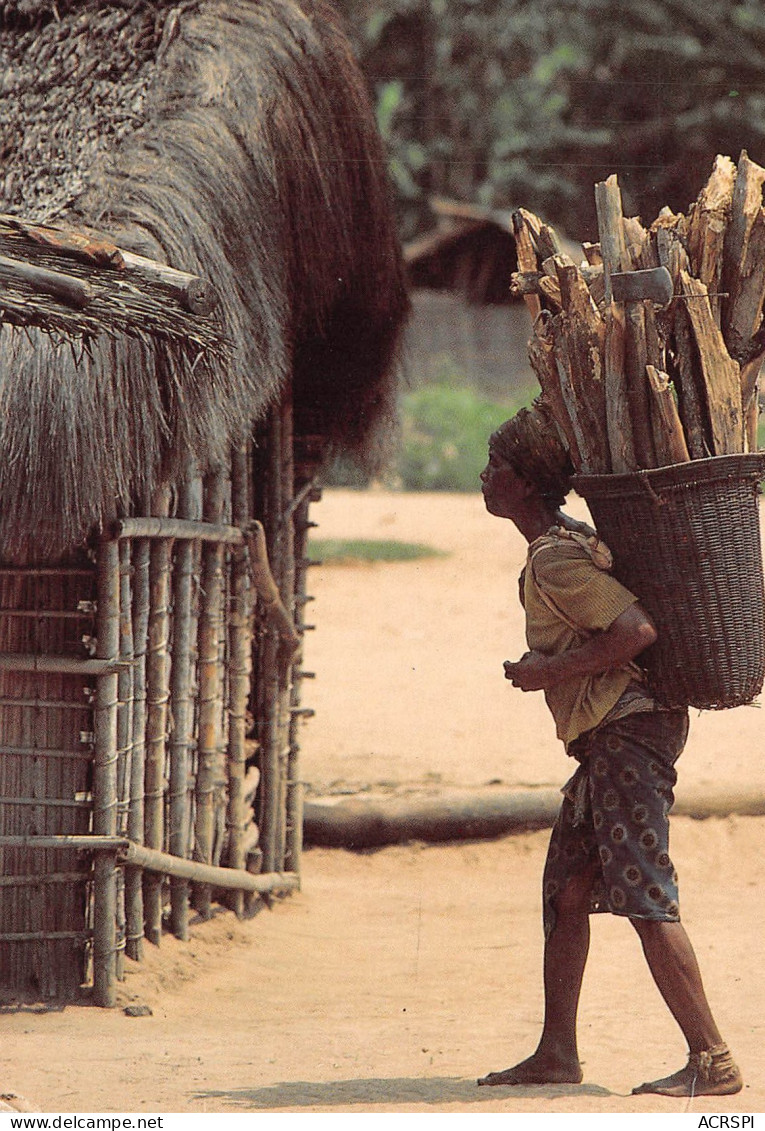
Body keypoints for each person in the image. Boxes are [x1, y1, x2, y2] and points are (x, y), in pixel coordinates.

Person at [476, 401, 742, 1098]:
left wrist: (546, 673)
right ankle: (556, 1052)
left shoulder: (558, 556)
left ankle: (712, 1059)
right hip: (611, 738)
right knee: (566, 890)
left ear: (525, 482)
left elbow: (636, 630)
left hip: (627, 735)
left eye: (495, 465)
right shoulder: (562, 540)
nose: (484, 474)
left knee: (645, 894)